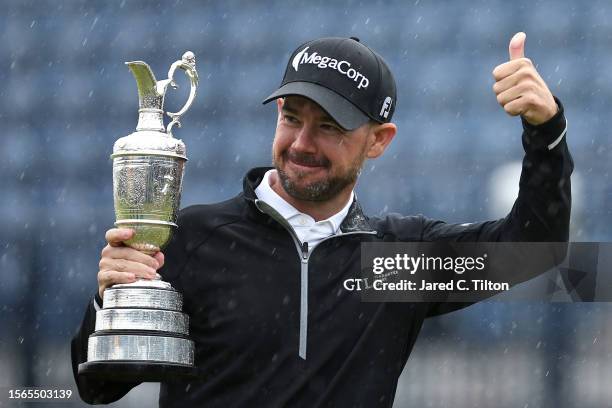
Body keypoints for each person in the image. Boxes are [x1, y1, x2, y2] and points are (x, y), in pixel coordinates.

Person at [72, 34, 572, 407]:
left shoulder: (395, 261)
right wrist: (108, 299)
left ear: (379, 141)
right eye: (291, 117)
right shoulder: (194, 238)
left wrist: (545, 132)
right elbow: (94, 384)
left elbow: (532, 253)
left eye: (329, 127)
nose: (302, 144)